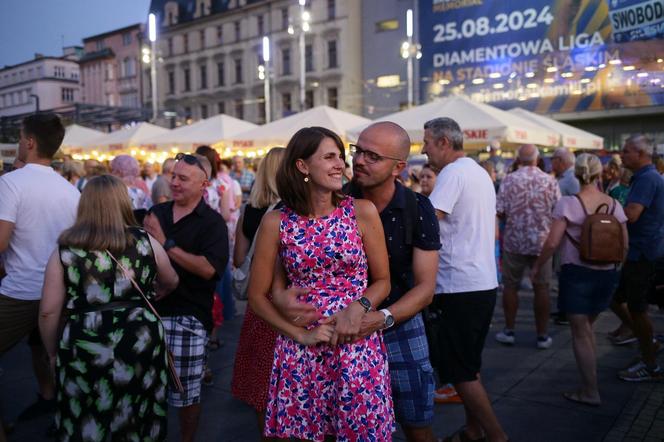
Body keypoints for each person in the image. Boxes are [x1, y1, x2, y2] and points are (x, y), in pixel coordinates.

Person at [248, 127, 394, 441]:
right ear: (302, 166)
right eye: (329, 156)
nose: (341, 164)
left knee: (359, 431)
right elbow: (256, 297)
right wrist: (301, 333)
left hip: (355, 346)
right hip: (302, 350)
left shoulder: (361, 212)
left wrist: (358, 307)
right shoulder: (276, 222)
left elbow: (383, 281)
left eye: (341, 156)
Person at [39, 175, 179, 441]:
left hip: (85, 339)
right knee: (140, 408)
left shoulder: (66, 249)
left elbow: (48, 311)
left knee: (87, 413)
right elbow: (171, 279)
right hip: (140, 336)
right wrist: (153, 294)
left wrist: (52, 352)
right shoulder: (145, 240)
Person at [345, 122, 440, 441]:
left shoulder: (417, 207)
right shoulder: (335, 201)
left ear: (399, 167)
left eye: (373, 156)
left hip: (400, 324)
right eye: (358, 151)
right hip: (343, 326)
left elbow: (426, 288)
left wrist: (383, 318)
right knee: (345, 424)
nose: (359, 161)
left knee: (417, 423)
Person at [422, 117, 508, 442]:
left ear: (444, 142)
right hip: (480, 281)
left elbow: (429, 222)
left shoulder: (454, 173)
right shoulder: (476, 171)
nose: (424, 149)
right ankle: (473, 430)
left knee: (459, 370)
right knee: (469, 365)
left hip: (459, 284)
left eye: (427, 142)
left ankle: (497, 436)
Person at [0, 114, 80, 430]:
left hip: (22, 290)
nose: (19, 142)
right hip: (60, 290)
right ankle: (54, 403)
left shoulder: (10, 182)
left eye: (20, 137)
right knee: (46, 349)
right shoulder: (70, 190)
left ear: (30, 142)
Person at [144, 153, 229, 442]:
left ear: (203, 184)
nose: (175, 182)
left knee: (186, 394)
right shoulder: (158, 212)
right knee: (148, 389)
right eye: (173, 176)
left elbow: (208, 269)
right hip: (149, 313)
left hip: (188, 317)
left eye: (183, 178)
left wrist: (166, 244)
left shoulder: (212, 223)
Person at [532, 154, 628, 405]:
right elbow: (625, 244)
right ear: (599, 174)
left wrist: (538, 266)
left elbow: (553, 242)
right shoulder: (614, 205)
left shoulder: (567, 203)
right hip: (607, 274)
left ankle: (589, 391)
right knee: (588, 329)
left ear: (576, 174)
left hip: (577, 274)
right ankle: (590, 383)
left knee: (581, 333)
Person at [231, 147, 285, 438]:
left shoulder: (248, 211)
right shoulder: (290, 211)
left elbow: (239, 259)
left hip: (257, 303)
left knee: (261, 380)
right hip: (285, 304)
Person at [494, 144, 561, 349]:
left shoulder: (509, 180)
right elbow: (557, 211)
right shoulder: (550, 181)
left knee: (511, 286)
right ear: (537, 158)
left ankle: (509, 330)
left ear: (518, 158)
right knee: (542, 288)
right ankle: (542, 335)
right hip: (542, 242)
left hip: (514, 240)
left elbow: (500, 211)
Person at [615, 134, 664, 381]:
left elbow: (632, 214)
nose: (622, 155)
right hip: (640, 251)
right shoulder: (645, 177)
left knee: (638, 308)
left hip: (643, 253)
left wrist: (607, 212)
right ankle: (648, 343)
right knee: (617, 298)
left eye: (626, 151)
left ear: (641, 154)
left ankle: (651, 363)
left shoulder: (647, 179)